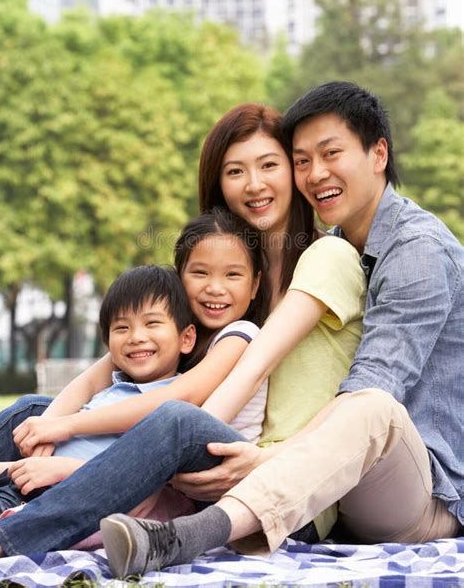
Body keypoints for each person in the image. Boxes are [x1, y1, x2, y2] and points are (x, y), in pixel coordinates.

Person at [97, 80, 463, 578]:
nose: (316, 174)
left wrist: (265, 460)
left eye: (331, 154)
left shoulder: (416, 250)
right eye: (303, 160)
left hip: (423, 498)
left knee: (373, 404)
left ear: (378, 154)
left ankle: (189, 537)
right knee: (32, 413)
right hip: (337, 491)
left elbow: (373, 388)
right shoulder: (326, 252)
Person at [0, 102, 366, 562]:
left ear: (294, 170)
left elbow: (197, 404)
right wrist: (53, 425)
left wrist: (97, 452)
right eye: (234, 171)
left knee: (171, 420)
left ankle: (7, 539)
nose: (254, 184)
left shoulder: (321, 261)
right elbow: (106, 368)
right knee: (31, 409)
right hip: (190, 459)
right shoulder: (212, 281)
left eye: (270, 165)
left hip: (275, 479)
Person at [0, 208, 266, 519]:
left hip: (184, 479)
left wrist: (64, 427)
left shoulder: (238, 335)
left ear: (255, 285)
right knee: (32, 410)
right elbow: (91, 380)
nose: (215, 287)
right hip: (72, 473)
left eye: (232, 274)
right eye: (200, 273)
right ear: (179, 277)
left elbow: (181, 400)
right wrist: (43, 432)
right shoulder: (163, 331)